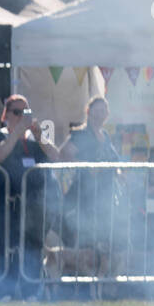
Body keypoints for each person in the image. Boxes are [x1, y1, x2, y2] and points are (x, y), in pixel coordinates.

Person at [0, 95, 62, 298]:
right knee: (5, 248)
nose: (22, 117)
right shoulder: (2, 137)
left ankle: (31, 291)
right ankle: (5, 290)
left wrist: (38, 134)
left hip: (33, 207)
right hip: (6, 206)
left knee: (32, 248)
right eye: (17, 112)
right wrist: (16, 132)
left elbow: (56, 156)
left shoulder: (35, 142)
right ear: (6, 114)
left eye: (26, 112)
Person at [59, 96, 123, 250]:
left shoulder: (105, 136)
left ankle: (101, 271)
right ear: (88, 112)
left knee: (105, 240)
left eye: (104, 111)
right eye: (97, 110)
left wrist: (120, 174)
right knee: (86, 239)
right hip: (86, 195)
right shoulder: (80, 134)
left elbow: (113, 161)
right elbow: (64, 154)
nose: (101, 114)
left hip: (106, 195)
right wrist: (85, 167)